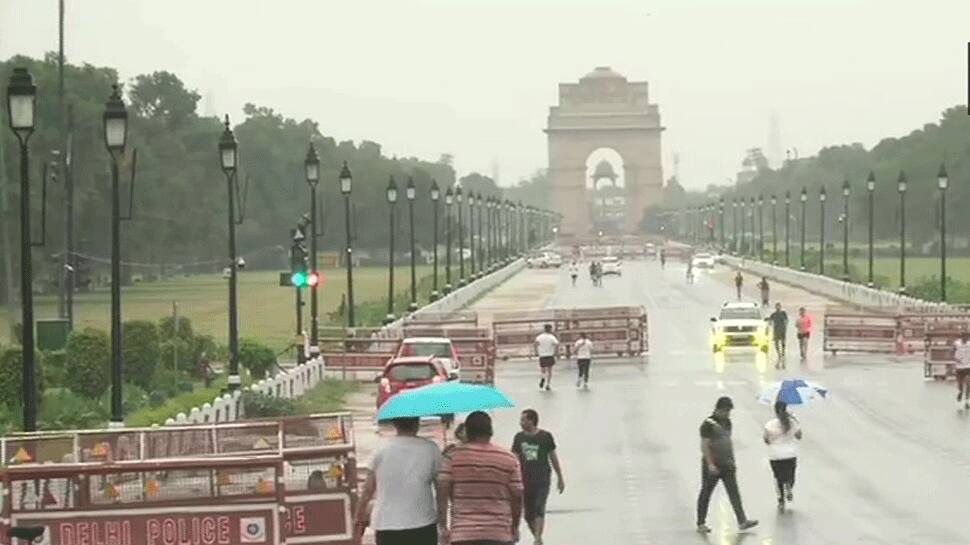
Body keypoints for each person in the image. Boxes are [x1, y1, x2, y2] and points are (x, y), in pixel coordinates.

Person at [353, 417, 443, 545]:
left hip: (387, 524)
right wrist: (442, 521)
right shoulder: (430, 449)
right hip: (422, 522)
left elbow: (367, 490)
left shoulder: (380, 450)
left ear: (395, 424)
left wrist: (358, 517)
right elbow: (441, 488)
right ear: (417, 423)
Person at [438, 411, 523, 545]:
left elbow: (442, 490)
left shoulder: (452, 457)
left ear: (468, 431)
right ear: (490, 431)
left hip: (463, 534)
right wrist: (515, 526)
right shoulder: (508, 458)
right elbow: (517, 496)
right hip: (499, 533)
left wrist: (443, 527)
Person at [696, 396, 758, 534]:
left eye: (729, 411)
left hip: (727, 464)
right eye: (726, 411)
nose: (728, 414)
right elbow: (705, 445)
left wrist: (732, 460)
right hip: (713, 465)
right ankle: (701, 522)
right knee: (706, 492)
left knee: (734, 493)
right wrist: (710, 464)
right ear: (718, 409)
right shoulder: (707, 424)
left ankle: (742, 521)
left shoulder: (727, 422)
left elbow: (727, 442)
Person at [511, 409, 565, 545]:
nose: (521, 423)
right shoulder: (519, 438)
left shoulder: (545, 437)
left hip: (542, 478)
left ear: (532, 421)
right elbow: (514, 458)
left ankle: (537, 538)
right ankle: (538, 536)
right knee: (528, 514)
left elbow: (553, 456)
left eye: (523, 420)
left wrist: (560, 476)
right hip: (525, 479)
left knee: (539, 507)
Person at [763, 401, 802, 511]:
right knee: (790, 476)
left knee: (778, 478)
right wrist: (796, 422)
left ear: (775, 411)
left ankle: (781, 500)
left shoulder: (769, 425)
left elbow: (766, 440)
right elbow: (799, 436)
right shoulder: (792, 423)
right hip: (790, 454)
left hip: (776, 456)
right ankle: (789, 486)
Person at [534, 324, 559, 391]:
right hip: (550, 354)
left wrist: (536, 352)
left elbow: (535, 344)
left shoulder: (539, 337)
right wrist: (556, 352)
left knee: (543, 370)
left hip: (542, 355)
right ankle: (548, 384)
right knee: (549, 370)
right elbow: (556, 344)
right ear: (550, 329)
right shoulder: (551, 337)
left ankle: (543, 377)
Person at [767, 303, 789, 368]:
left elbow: (786, 320)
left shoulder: (783, 313)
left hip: (782, 329)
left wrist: (785, 325)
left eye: (779, 306)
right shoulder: (773, 314)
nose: (778, 307)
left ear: (780, 307)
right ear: (775, 307)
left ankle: (783, 352)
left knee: (783, 342)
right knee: (776, 343)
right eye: (777, 306)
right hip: (776, 330)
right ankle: (778, 353)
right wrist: (770, 323)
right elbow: (770, 321)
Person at [954, 334, 970, 409]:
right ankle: (960, 392)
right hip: (959, 367)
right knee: (960, 384)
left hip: (968, 367)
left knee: (968, 384)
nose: (966, 339)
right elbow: (951, 352)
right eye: (965, 338)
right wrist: (955, 359)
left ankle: (967, 401)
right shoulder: (956, 343)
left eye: (967, 338)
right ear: (961, 337)